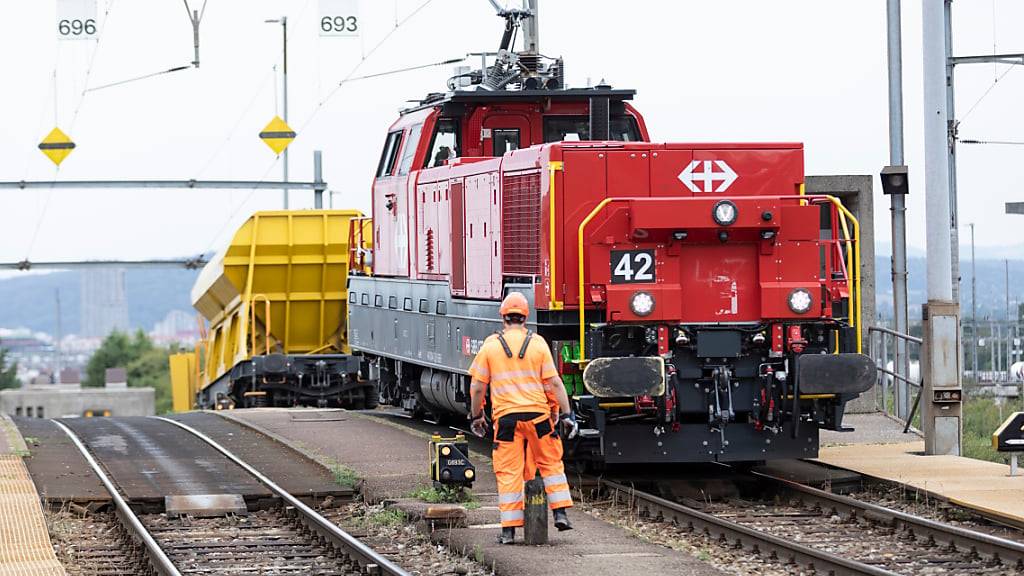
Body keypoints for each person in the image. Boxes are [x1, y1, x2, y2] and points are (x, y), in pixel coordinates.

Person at [468, 292, 578, 545]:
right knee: (551, 463)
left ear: (503, 317)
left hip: (507, 420)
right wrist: (565, 413)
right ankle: (560, 513)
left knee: (508, 472)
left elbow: (477, 388)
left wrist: (477, 416)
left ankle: (508, 531)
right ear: (526, 317)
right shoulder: (538, 344)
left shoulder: (490, 346)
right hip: (538, 416)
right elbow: (554, 383)